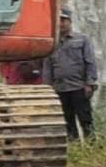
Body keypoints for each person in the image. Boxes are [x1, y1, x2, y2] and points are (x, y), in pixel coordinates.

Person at [42, 8, 98, 139]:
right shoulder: (51, 42)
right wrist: (47, 88)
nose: (61, 23)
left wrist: (90, 83)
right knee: (67, 120)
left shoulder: (81, 39)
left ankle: (92, 146)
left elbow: (90, 62)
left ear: (70, 21)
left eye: (63, 20)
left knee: (85, 119)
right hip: (60, 88)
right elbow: (47, 67)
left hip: (79, 87)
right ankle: (74, 147)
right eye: (58, 20)